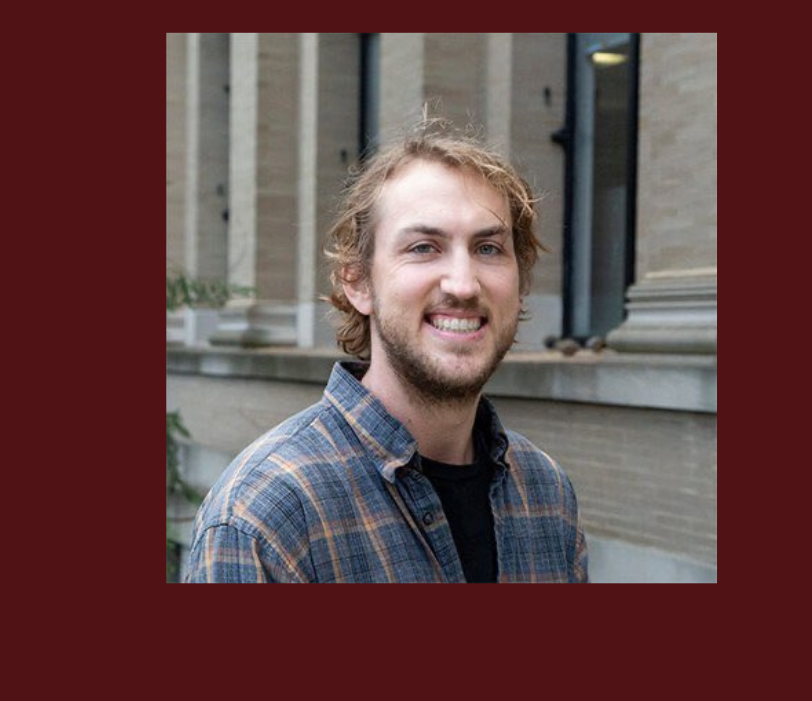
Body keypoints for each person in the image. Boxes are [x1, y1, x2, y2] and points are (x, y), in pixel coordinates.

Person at [184, 123, 588, 583]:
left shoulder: (547, 494)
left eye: (488, 248)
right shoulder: (267, 516)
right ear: (357, 283)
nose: (463, 283)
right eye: (423, 248)